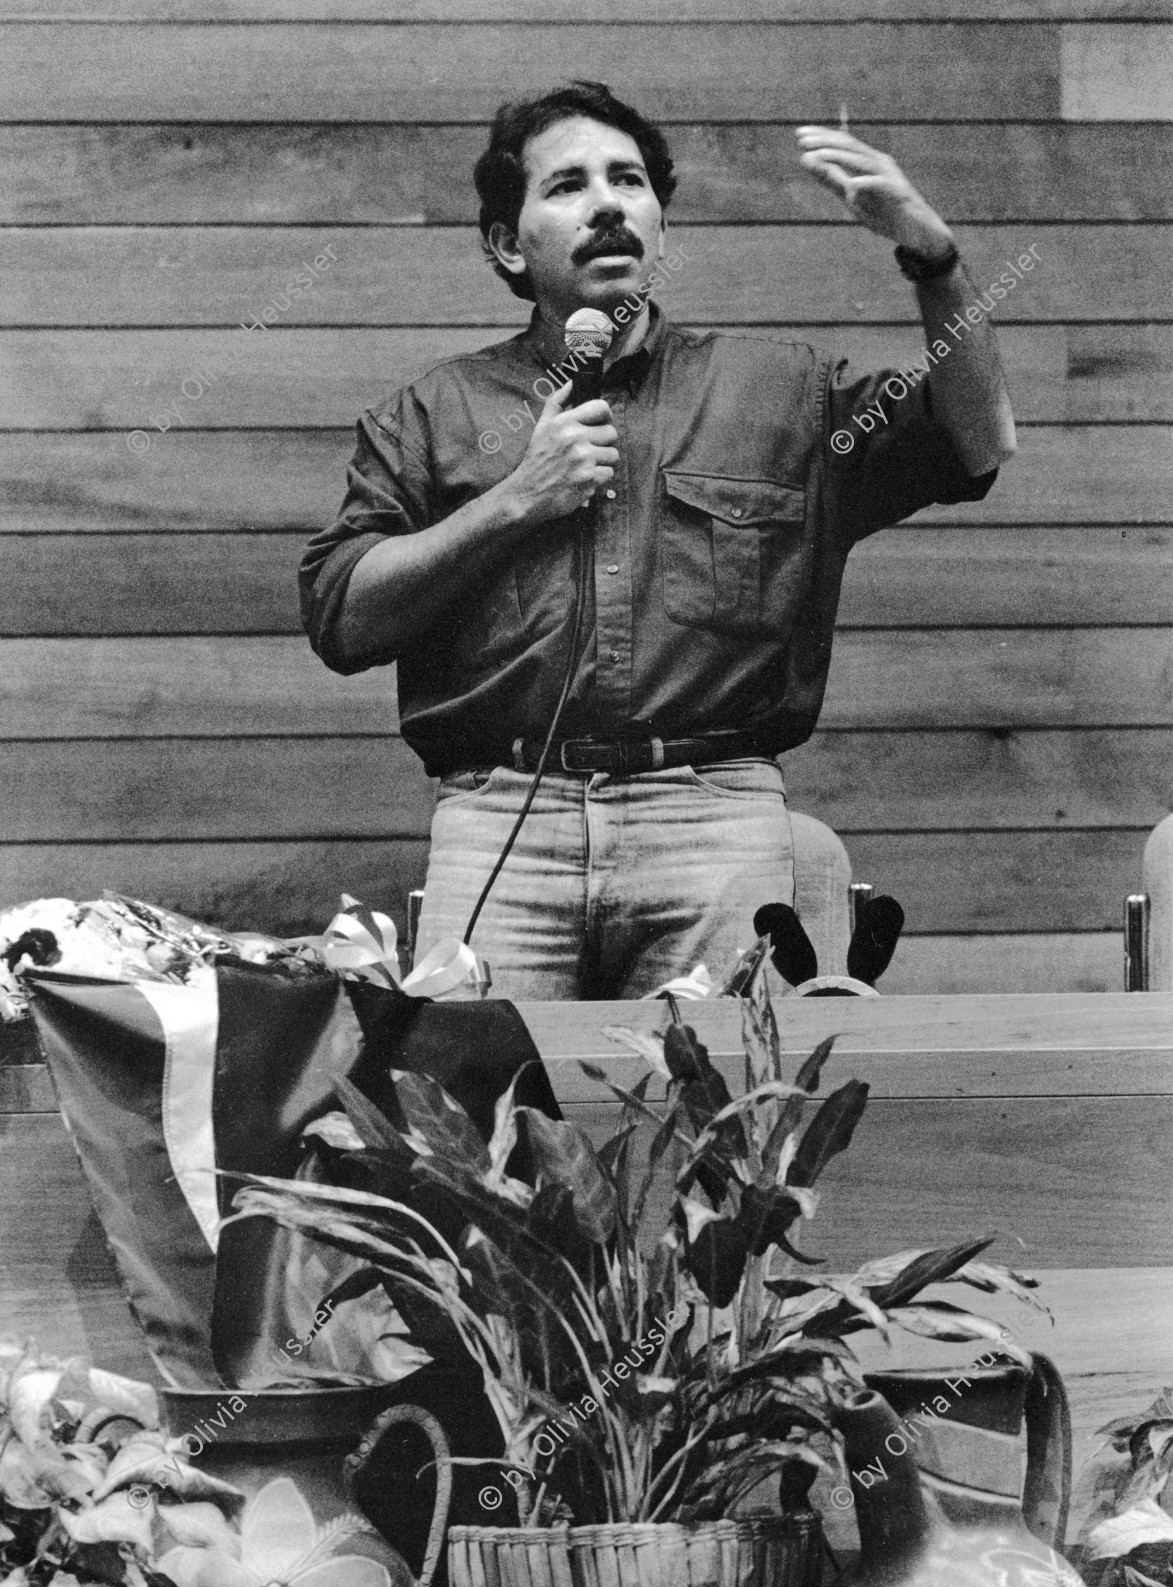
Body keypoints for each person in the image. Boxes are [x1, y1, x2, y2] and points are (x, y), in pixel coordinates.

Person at [300, 81, 1015, 1001]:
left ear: (659, 228)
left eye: (627, 181)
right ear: (506, 243)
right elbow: (340, 619)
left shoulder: (781, 394)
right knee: (482, 1132)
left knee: (723, 1130)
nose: (606, 204)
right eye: (565, 186)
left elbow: (976, 440)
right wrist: (515, 499)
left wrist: (932, 253)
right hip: (499, 821)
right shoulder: (435, 413)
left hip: (713, 821)